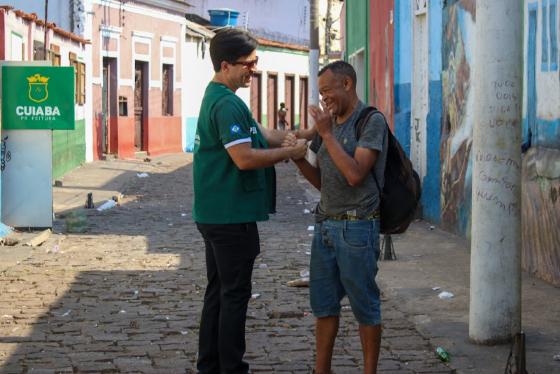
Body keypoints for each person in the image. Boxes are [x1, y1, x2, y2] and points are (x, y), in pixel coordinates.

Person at [192, 28, 307, 374]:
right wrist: (287, 154)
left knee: (218, 291)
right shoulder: (227, 104)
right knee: (234, 295)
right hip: (230, 216)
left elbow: (261, 133)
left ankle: (209, 365)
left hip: (215, 213)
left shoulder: (220, 98)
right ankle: (231, 367)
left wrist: (304, 136)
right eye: (249, 63)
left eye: (256, 63)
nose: (253, 70)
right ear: (225, 65)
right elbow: (243, 157)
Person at [288, 60, 388, 373]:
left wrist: (327, 135)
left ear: (347, 84)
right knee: (324, 304)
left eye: (327, 91)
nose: (324, 100)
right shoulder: (328, 124)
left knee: (364, 306)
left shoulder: (370, 121)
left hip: (358, 227)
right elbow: (323, 180)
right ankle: (322, 369)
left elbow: (356, 174)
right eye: (320, 94)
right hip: (326, 225)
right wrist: (298, 159)